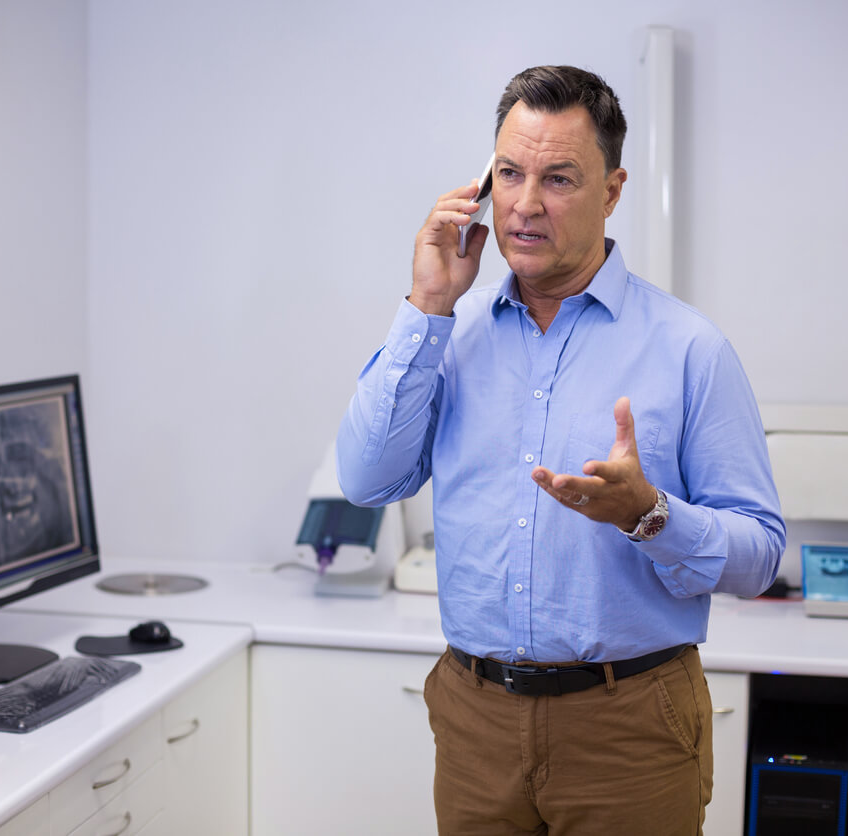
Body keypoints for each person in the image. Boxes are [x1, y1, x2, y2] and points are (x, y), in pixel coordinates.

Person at [335, 65, 785, 835]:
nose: (525, 203)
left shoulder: (689, 349)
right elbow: (367, 480)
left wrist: (650, 517)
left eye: (559, 178)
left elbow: (760, 557)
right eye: (509, 173)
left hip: (629, 726)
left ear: (611, 192)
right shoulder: (448, 332)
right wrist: (427, 303)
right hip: (474, 719)